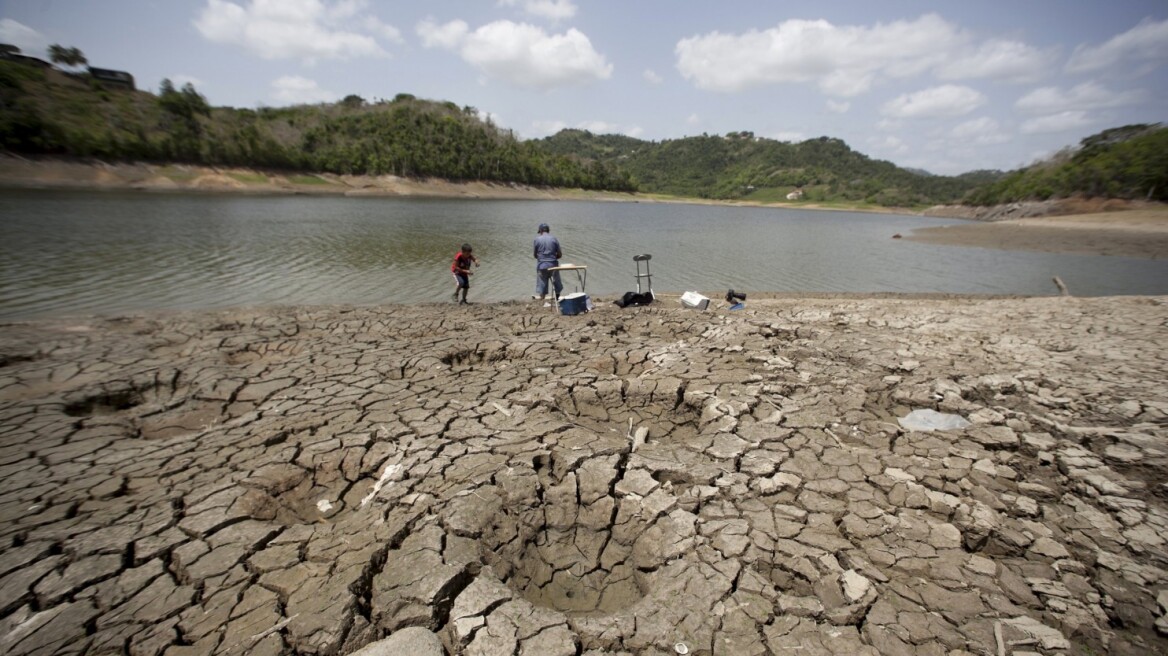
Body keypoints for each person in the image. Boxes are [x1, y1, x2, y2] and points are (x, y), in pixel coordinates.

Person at [533, 223, 562, 307]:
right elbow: (560, 254)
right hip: (553, 265)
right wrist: (553, 258)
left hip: (541, 265)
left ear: (540, 231)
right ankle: (557, 298)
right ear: (548, 231)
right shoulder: (554, 239)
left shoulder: (537, 240)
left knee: (542, 282)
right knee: (556, 282)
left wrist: (541, 258)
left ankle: (542, 300)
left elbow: (535, 255)